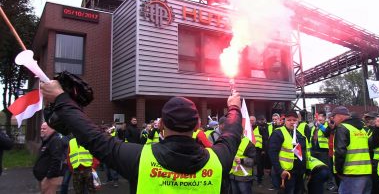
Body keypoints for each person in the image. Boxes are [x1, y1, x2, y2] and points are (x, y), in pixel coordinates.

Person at [40, 80, 242, 194]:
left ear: (161, 125)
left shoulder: (139, 159)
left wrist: (61, 98)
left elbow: (92, 137)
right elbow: (232, 132)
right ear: (198, 125)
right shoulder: (218, 159)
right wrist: (234, 106)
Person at [332, 106, 372, 194]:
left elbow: (340, 152)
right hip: (366, 172)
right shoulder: (362, 129)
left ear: (339, 116)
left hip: (351, 174)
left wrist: (338, 170)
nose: (333, 120)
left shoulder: (343, 128)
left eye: (333, 117)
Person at [268, 111, 309, 194]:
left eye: (294, 120)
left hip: (299, 172)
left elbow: (306, 153)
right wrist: (280, 170)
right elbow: (273, 154)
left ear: (298, 121)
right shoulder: (278, 133)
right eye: (289, 120)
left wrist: (307, 170)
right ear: (285, 121)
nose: (292, 122)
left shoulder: (301, 135)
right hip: (286, 173)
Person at [33, 122, 65, 194]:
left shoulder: (55, 140)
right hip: (44, 177)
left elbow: (56, 160)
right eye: (41, 128)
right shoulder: (47, 140)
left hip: (50, 179)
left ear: (52, 129)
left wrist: (48, 177)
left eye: (44, 129)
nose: (41, 130)